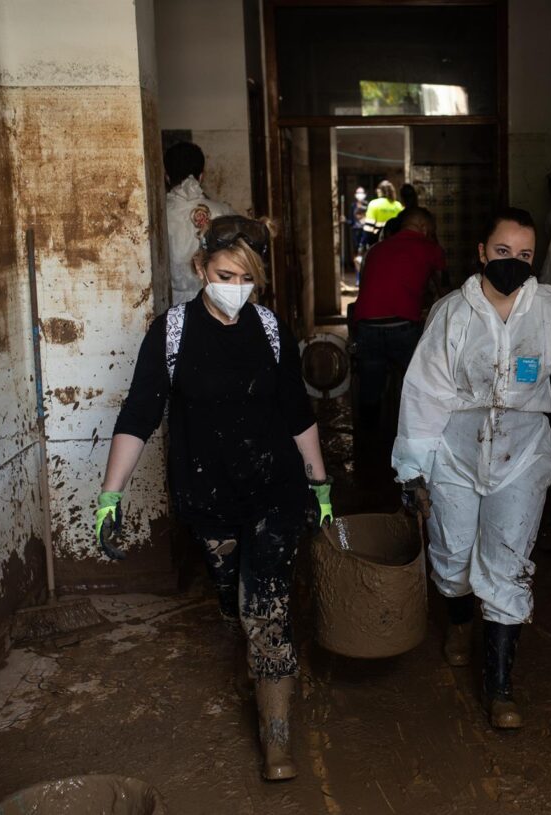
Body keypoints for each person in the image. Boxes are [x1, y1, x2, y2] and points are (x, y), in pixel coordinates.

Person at [92, 215, 332, 782]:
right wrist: (111, 496)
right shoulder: (170, 333)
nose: (236, 289)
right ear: (201, 268)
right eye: (226, 275)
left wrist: (320, 485)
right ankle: (247, 627)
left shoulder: (272, 330)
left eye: (248, 279)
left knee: (266, 608)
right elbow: (139, 414)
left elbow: (298, 414)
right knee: (233, 599)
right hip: (207, 497)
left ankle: (276, 739)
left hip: (275, 490)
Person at [392, 208, 551, 730]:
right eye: (503, 252)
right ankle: (457, 621)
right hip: (455, 452)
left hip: (522, 455)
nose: (513, 263)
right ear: (481, 252)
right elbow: (424, 394)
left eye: (524, 255)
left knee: (509, 563)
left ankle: (499, 686)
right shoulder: (452, 315)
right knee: (452, 554)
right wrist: (413, 467)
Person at [352, 208, 445, 425]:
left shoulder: (376, 249)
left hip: (367, 326)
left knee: (370, 389)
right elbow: (444, 293)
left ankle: (370, 442)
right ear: (424, 227)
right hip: (402, 327)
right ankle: (413, 430)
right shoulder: (430, 248)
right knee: (419, 381)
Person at [164, 141, 234, 305]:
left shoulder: (154, 217)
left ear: (167, 177)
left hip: (168, 305)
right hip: (215, 304)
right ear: (201, 176)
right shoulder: (224, 213)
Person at [349, 185, 369, 262]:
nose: (360, 194)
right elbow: (351, 220)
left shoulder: (368, 204)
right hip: (356, 230)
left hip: (365, 230)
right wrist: (345, 220)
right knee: (356, 250)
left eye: (361, 192)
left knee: (365, 250)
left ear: (365, 194)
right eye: (358, 192)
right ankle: (357, 271)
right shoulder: (353, 205)